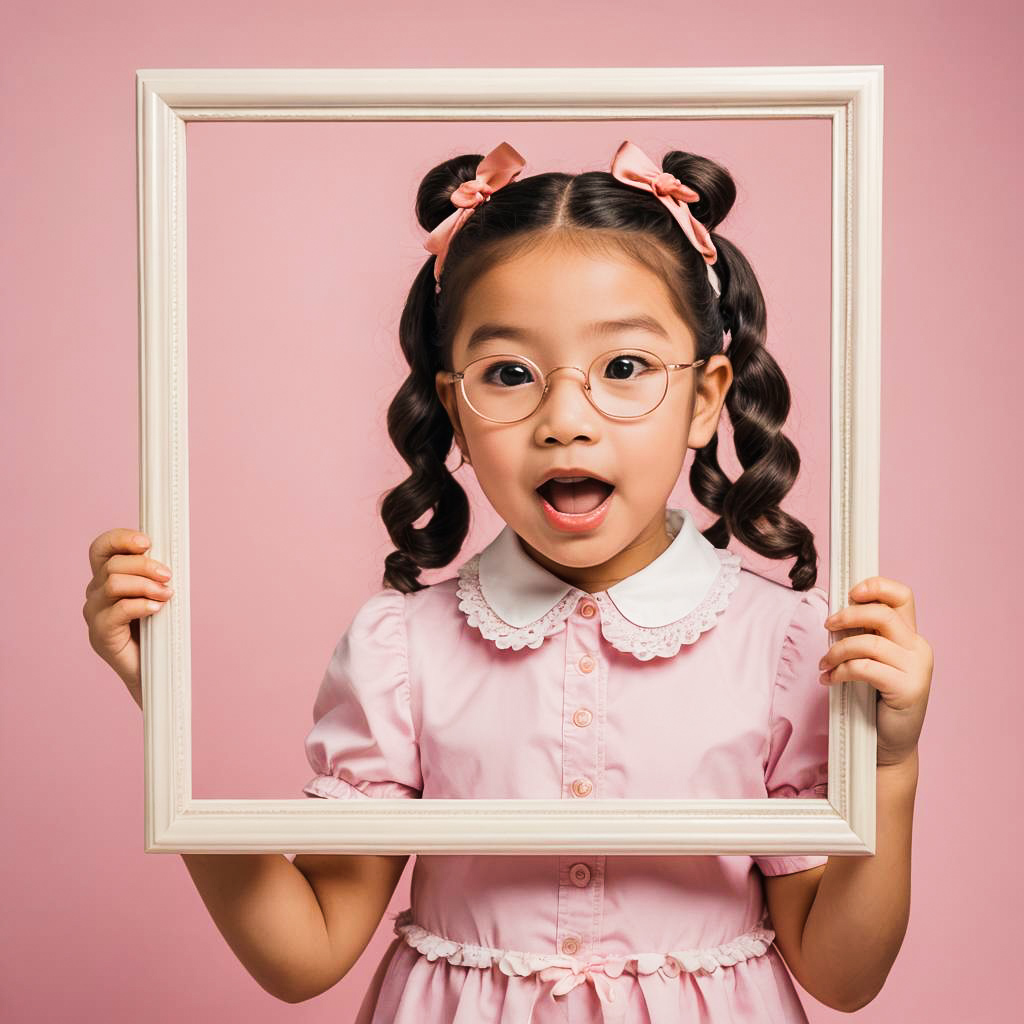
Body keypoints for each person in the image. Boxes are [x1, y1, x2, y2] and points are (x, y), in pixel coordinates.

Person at [84, 139, 932, 1021]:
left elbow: (844, 975)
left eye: (626, 367)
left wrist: (891, 765)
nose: (566, 420)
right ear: (454, 405)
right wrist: (166, 710)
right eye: (510, 374)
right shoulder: (404, 649)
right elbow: (303, 953)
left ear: (707, 397)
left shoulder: (790, 645)